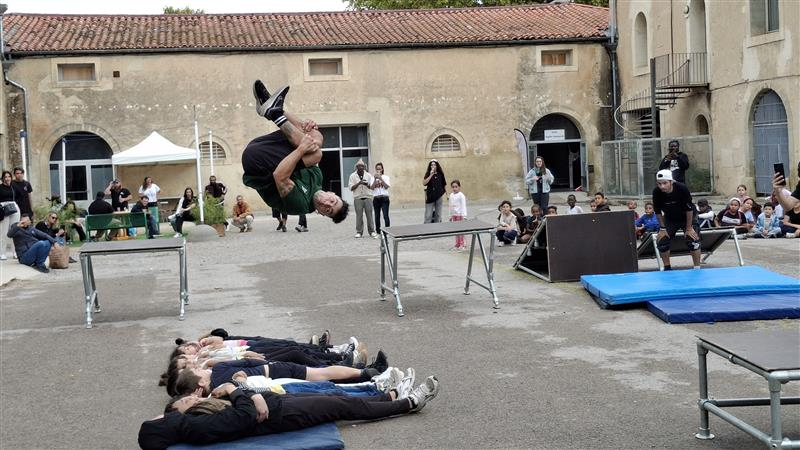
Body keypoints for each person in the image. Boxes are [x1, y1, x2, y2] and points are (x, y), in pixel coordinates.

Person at [138, 376, 440, 450]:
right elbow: (242, 416)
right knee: (344, 406)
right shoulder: (196, 429)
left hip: (276, 407)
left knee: (336, 397)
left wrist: (247, 394)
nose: (190, 400)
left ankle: (391, 396)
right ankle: (409, 404)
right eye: (183, 404)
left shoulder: (193, 423)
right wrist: (236, 390)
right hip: (280, 416)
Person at [242, 81, 349, 222]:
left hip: (258, 165)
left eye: (328, 210)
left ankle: (273, 111)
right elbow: (309, 144)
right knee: (316, 138)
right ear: (333, 193)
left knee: (315, 152)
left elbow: (279, 176)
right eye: (333, 201)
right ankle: (274, 109)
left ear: (322, 214)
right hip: (261, 145)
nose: (327, 203)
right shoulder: (318, 179)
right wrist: (308, 126)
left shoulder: (300, 205)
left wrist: (301, 148)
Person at [652, 169, 701, 270]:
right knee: (662, 241)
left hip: (688, 216)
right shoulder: (656, 192)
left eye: (665, 183)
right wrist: (662, 228)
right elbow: (657, 211)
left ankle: (697, 268)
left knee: (692, 240)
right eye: (659, 184)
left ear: (671, 182)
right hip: (671, 218)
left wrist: (689, 228)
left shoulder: (682, 188)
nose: (662, 186)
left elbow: (689, 209)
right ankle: (667, 268)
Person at [348, 159, 376, 238]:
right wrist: (359, 183)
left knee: (369, 215)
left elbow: (372, 187)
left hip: (368, 197)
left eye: (362, 166)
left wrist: (367, 185)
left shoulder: (368, 175)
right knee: (359, 216)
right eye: (359, 166)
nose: (360, 167)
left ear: (364, 167)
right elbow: (351, 188)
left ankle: (372, 231)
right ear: (356, 167)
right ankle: (359, 232)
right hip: (358, 198)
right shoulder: (352, 176)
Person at [0, 170, 21, 260]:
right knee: (3, 232)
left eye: (9, 176)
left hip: (14, 207)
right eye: (6, 177)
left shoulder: (13, 186)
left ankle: (15, 252)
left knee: (15, 230)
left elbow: (20, 196)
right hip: (4, 208)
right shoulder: (0, 187)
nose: (7, 178)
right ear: (2, 178)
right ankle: (2, 253)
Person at [423, 159, 446, 223]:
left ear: (437, 166)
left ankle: (437, 230)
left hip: (439, 196)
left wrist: (445, 194)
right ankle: (427, 230)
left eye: (434, 165)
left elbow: (444, 184)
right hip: (430, 197)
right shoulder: (428, 174)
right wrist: (431, 175)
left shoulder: (440, 174)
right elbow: (424, 183)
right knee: (428, 215)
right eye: (431, 165)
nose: (433, 166)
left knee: (438, 215)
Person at [371, 162, 391, 234]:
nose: (378, 170)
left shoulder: (386, 177)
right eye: (377, 169)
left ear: (382, 169)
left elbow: (386, 187)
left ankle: (388, 231)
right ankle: (378, 231)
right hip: (376, 198)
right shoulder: (372, 178)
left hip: (384, 198)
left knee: (385, 215)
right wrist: (374, 179)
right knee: (377, 216)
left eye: (379, 169)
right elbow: (372, 188)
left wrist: (381, 179)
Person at [448, 180, 467, 251]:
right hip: (454, 215)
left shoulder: (461, 195)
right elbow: (450, 206)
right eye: (453, 187)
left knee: (461, 230)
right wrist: (450, 215)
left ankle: (463, 244)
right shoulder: (451, 195)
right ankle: (457, 244)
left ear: (459, 187)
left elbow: (463, 206)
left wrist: (464, 216)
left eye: (456, 187)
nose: (454, 188)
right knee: (456, 231)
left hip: (460, 215)